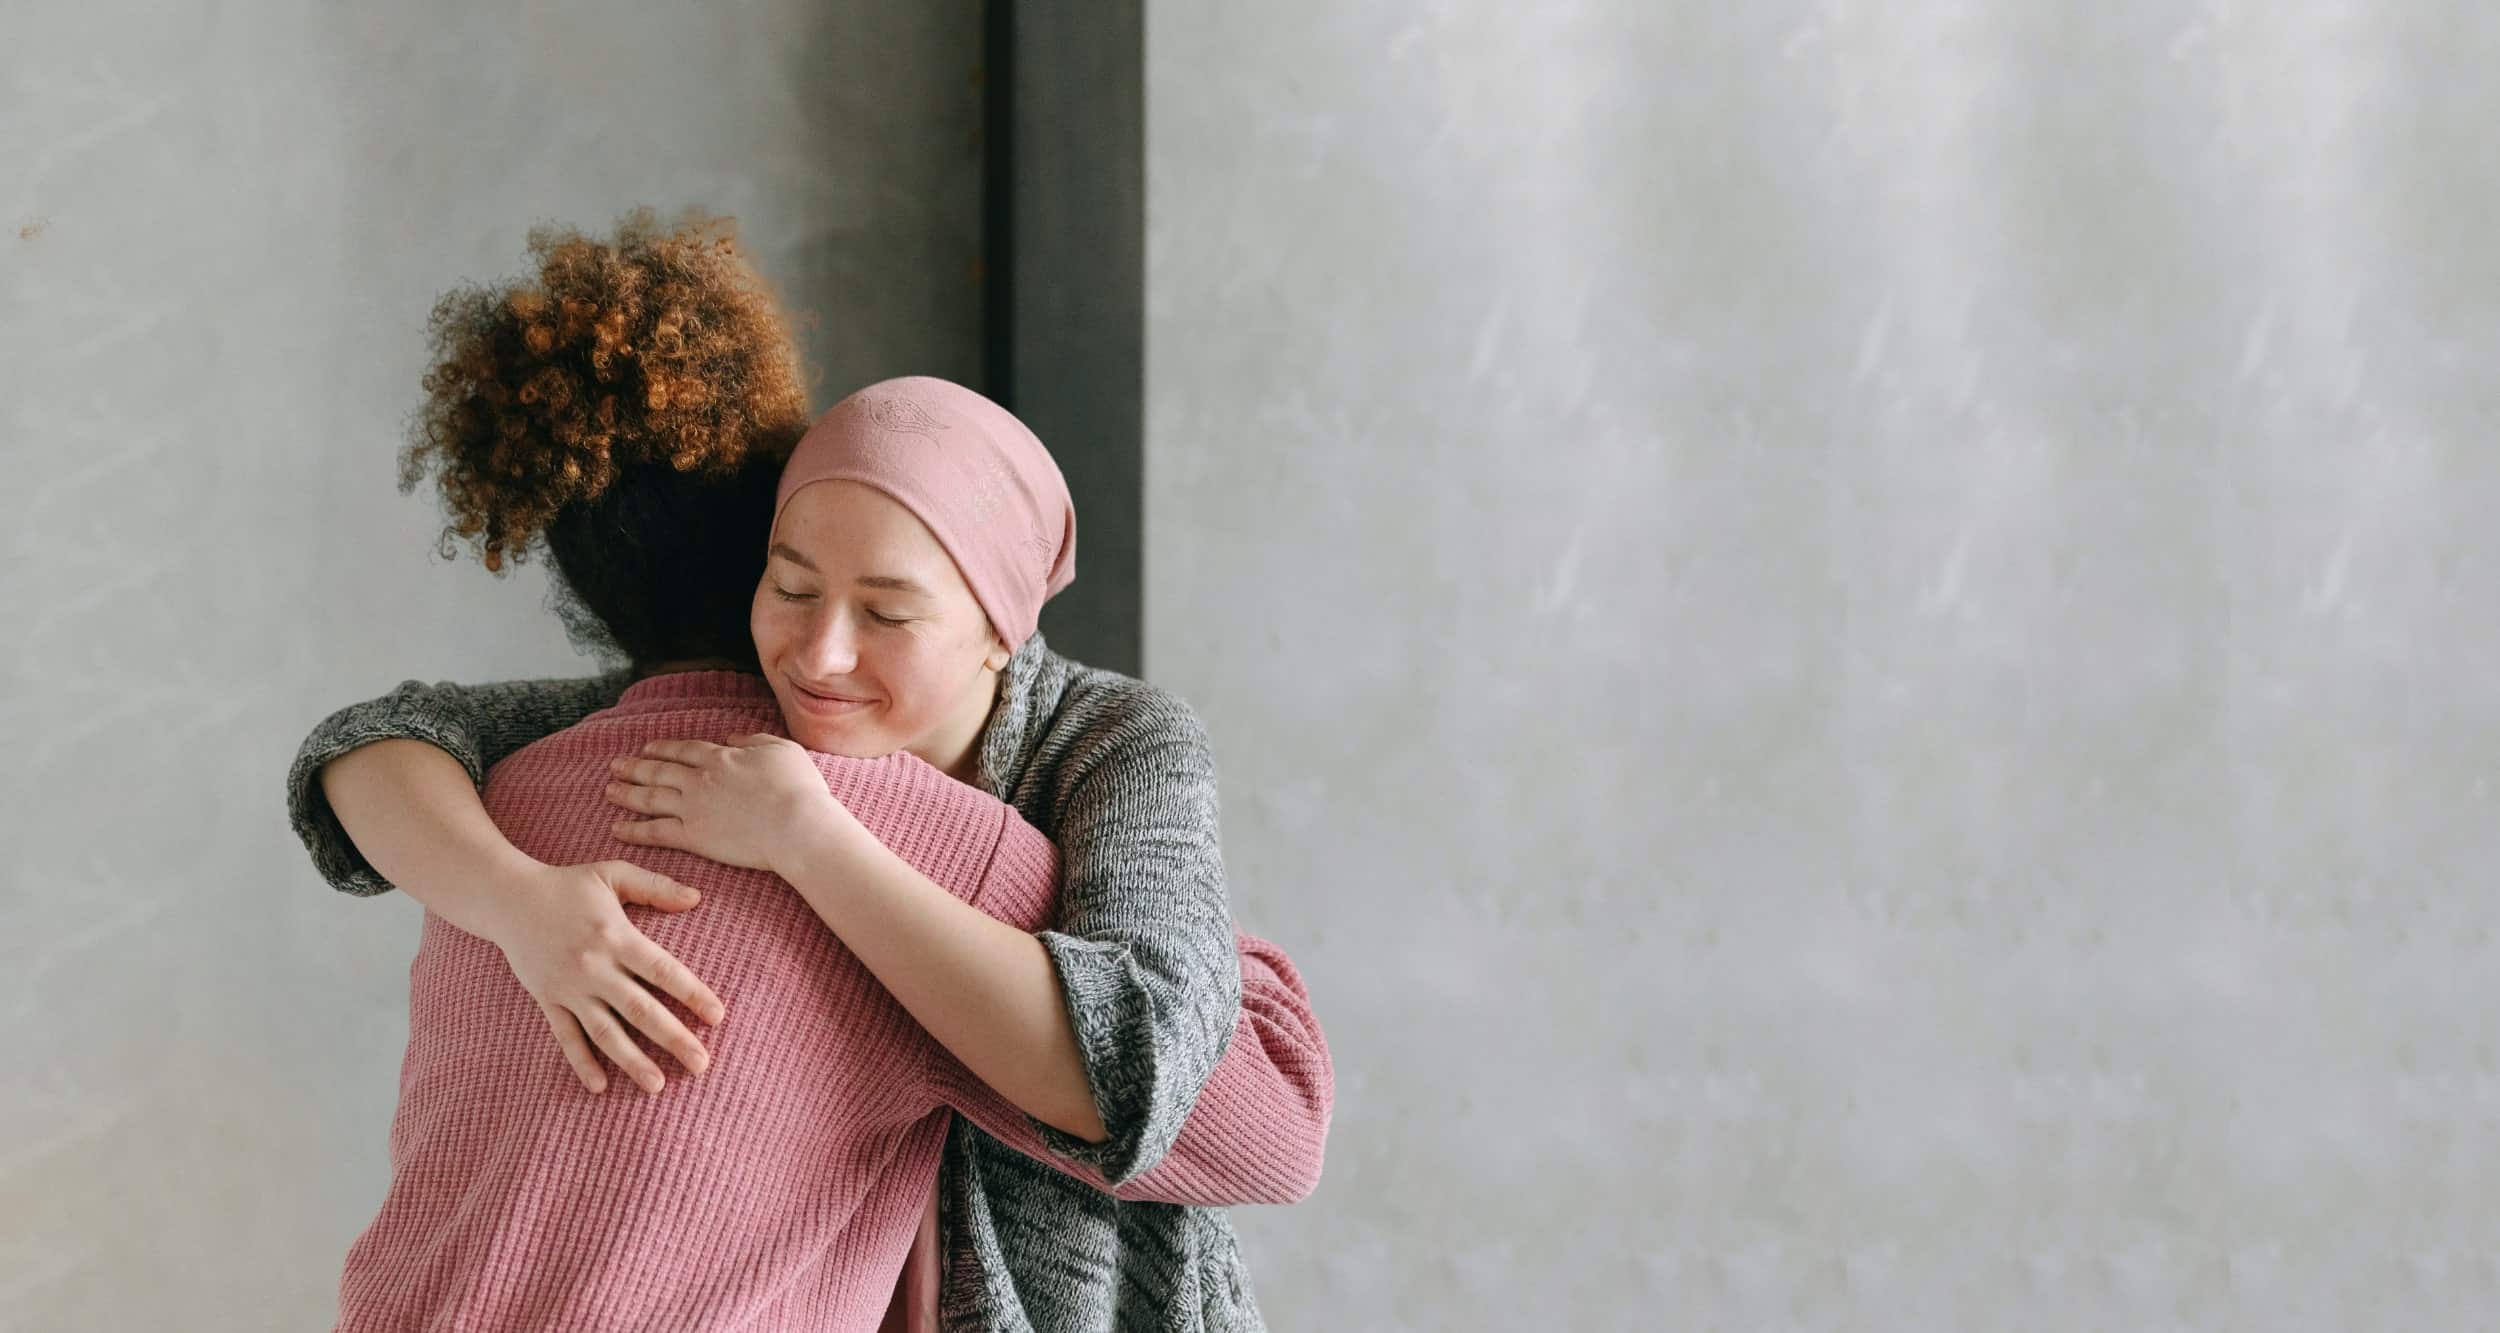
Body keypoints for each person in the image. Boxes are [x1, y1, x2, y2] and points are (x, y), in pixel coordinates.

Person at [287, 211, 1327, 1331]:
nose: (821, 654)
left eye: (887, 612)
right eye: (789, 588)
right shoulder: (697, 738)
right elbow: (379, 736)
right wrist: (524, 903)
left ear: (999, 630)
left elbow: (1185, 1084)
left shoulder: (1107, 744)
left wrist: (813, 840)